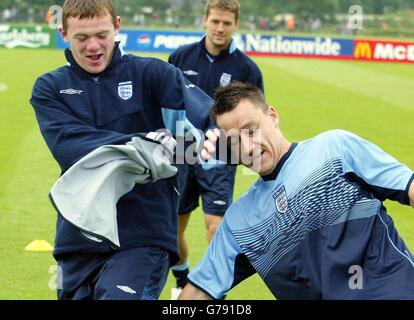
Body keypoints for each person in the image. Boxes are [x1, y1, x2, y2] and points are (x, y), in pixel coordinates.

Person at [29, 0, 214, 300]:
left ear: (117, 25)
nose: (93, 46)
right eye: (81, 37)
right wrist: (150, 146)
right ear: (63, 33)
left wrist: (218, 140)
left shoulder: (155, 75)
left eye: (101, 34)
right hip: (77, 236)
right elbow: (73, 149)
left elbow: (207, 122)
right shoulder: (50, 88)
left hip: (144, 235)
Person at [179, 81, 414, 300]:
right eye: (234, 141)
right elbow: (200, 291)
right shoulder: (240, 222)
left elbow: (409, 187)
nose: (248, 147)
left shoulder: (335, 149)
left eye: (251, 130)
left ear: (272, 116)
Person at [167, 0, 263, 296]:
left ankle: (211, 291)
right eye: (216, 21)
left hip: (221, 153)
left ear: (236, 25)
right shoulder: (180, 57)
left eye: (227, 23)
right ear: (205, 20)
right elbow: (166, 103)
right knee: (172, 229)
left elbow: (255, 120)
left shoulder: (247, 68)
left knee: (216, 228)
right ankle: (182, 283)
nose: (220, 28)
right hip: (183, 150)